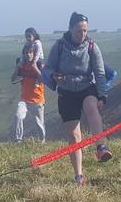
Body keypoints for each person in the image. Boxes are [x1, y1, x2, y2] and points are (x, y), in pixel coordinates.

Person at [44, 12, 111, 186]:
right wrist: (54, 76)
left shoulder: (91, 46)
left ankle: (101, 147)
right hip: (66, 91)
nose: (82, 34)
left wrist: (102, 95)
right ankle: (79, 176)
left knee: (92, 107)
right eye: (79, 31)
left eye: (85, 31)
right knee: (74, 136)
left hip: (86, 86)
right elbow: (48, 68)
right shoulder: (59, 46)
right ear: (70, 29)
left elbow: (100, 72)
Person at [12, 28, 46, 143]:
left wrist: (35, 67)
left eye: (30, 52)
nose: (28, 54)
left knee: (39, 123)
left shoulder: (40, 62)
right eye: (26, 53)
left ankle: (42, 141)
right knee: (18, 115)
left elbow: (43, 79)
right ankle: (18, 139)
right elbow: (13, 79)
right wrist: (17, 69)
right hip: (25, 99)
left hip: (37, 100)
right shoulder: (21, 64)